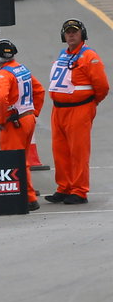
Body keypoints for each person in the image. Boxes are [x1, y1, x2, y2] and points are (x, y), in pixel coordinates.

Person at [45, 18, 108, 204]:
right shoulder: (63, 54)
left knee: (78, 151)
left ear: (82, 34)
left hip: (79, 109)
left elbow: (102, 86)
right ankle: (64, 187)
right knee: (60, 151)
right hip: (59, 110)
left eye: (74, 31)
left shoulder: (89, 56)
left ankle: (79, 191)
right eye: (68, 32)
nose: (71, 34)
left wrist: (90, 103)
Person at [0, 39, 45, 210]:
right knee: (22, 159)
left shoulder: (4, 75)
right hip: (27, 119)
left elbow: (0, 100)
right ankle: (27, 197)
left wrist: (1, 120)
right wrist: (33, 112)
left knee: (13, 161)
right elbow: (39, 90)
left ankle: (26, 199)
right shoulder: (22, 69)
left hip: (14, 122)